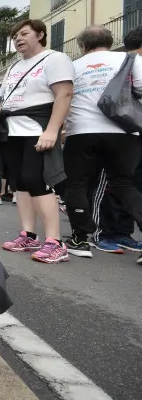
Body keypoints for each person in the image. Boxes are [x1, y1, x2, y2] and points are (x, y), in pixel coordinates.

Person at [0, 19, 74, 264]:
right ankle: (29, 235)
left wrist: (52, 130)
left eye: (24, 33)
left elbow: (64, 94)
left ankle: (55, 242)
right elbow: (4, 99)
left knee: (37, 179)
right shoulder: (13, 66)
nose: (18, 38)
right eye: (15, 36)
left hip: (37, 127)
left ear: (40, 34)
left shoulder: (55, 59)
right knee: (19, 181)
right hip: (12, 129)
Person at [62, 25, 142, 259]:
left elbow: (63, 97)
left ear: (83, 46)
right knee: (123, 184)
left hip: (81, 131)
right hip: (123, 132)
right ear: (110, 40)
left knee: (77, 184)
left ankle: (79, 240)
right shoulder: (130, 59)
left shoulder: (72, 66)